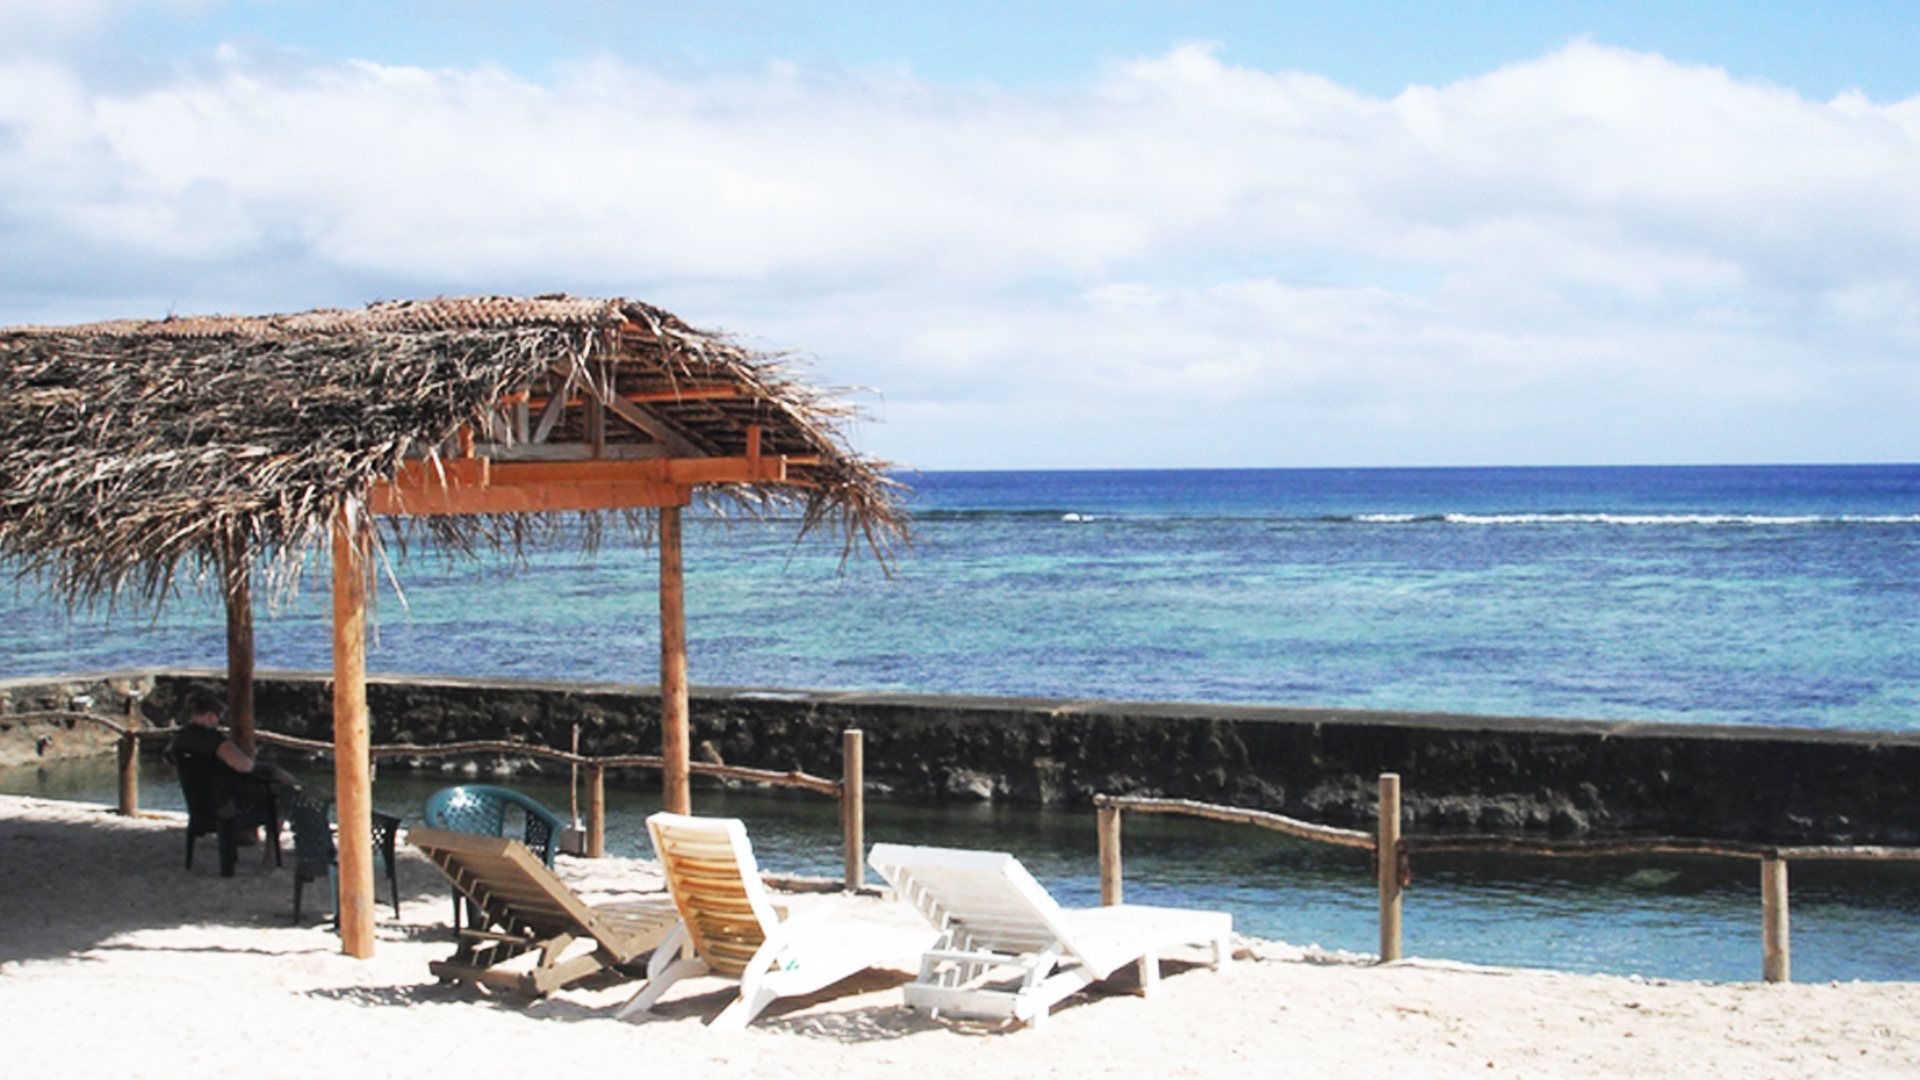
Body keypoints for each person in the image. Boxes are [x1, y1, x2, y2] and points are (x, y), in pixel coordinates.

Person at [165, 687, 296, 833]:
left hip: (198, 807)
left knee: (270, 774)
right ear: (210, 715)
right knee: (278, 797)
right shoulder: (214, 740)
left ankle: (298, 787)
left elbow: (169, 757)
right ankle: (271, 855)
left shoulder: (179, 738)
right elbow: (246, 766)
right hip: (224, 808)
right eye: (218, 717)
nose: (218, 722)